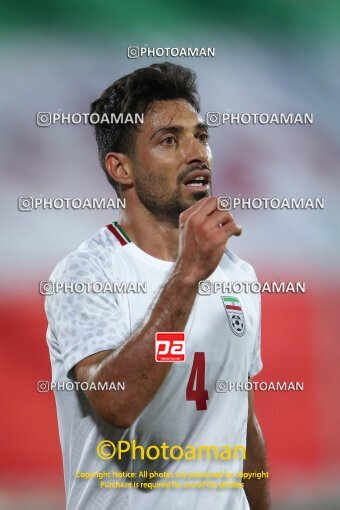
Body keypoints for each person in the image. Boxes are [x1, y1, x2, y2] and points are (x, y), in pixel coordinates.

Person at [45, 62, 270, 510]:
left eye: (201, 137)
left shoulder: (237, 276)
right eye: (170, 140)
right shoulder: (87, 275)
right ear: (121, 168)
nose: (197, 154)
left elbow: (239, 422)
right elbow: (118, 404)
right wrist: (187, 278)